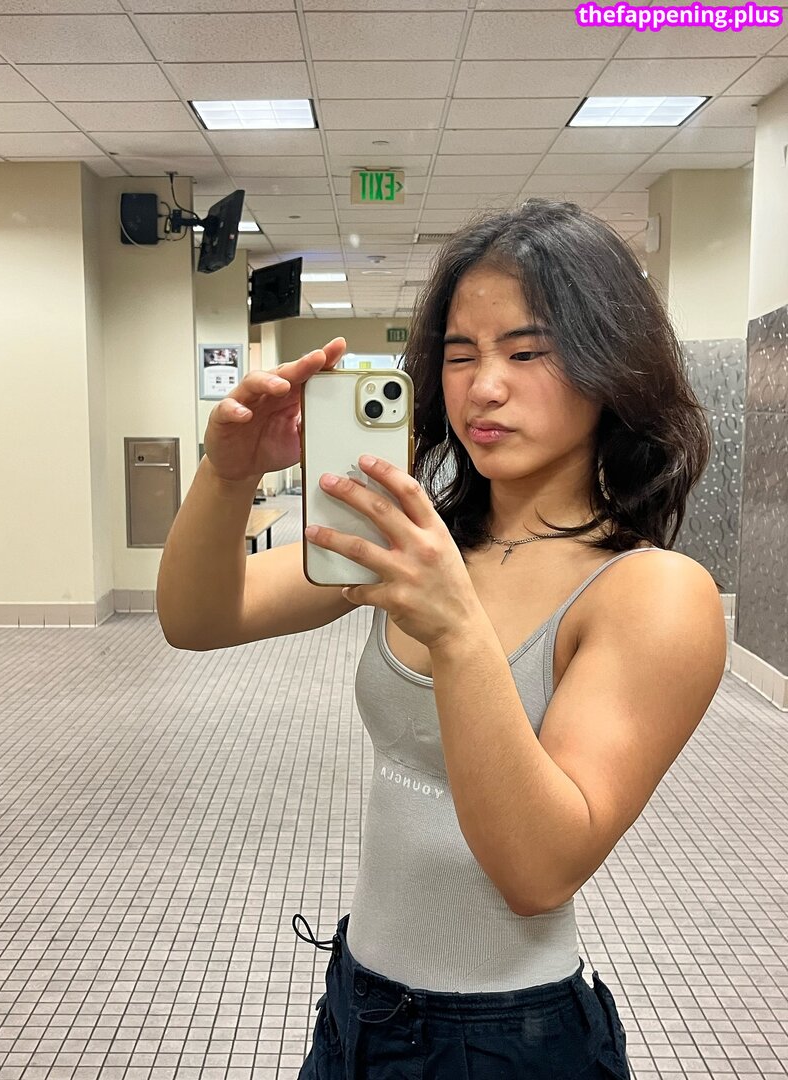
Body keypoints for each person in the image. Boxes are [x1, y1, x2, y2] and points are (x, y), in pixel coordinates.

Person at [156, 198, 727, 1079]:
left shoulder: (650, 591)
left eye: (527, 353)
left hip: (503, 1038)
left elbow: (539, 872)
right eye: (460, 355)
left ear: (612, 364)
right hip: (358, 1003)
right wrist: (226, 476)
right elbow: (198, 618)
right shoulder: (420, 543)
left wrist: (458, 629)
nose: (483, 387)